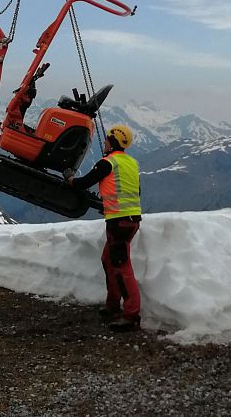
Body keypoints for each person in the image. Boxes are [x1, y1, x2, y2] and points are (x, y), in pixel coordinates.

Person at [65, 124, 142, 332]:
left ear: (114, 141)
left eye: (108, 139)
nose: (105, 142)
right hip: (130, 220)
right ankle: (112, 306)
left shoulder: (107, 163)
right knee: (108, 260)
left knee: (121, 266)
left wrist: (70, 178)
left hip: (118, 222)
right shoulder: (131, 163)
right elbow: (134, 192)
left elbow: (83, 183)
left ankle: (131, 315)